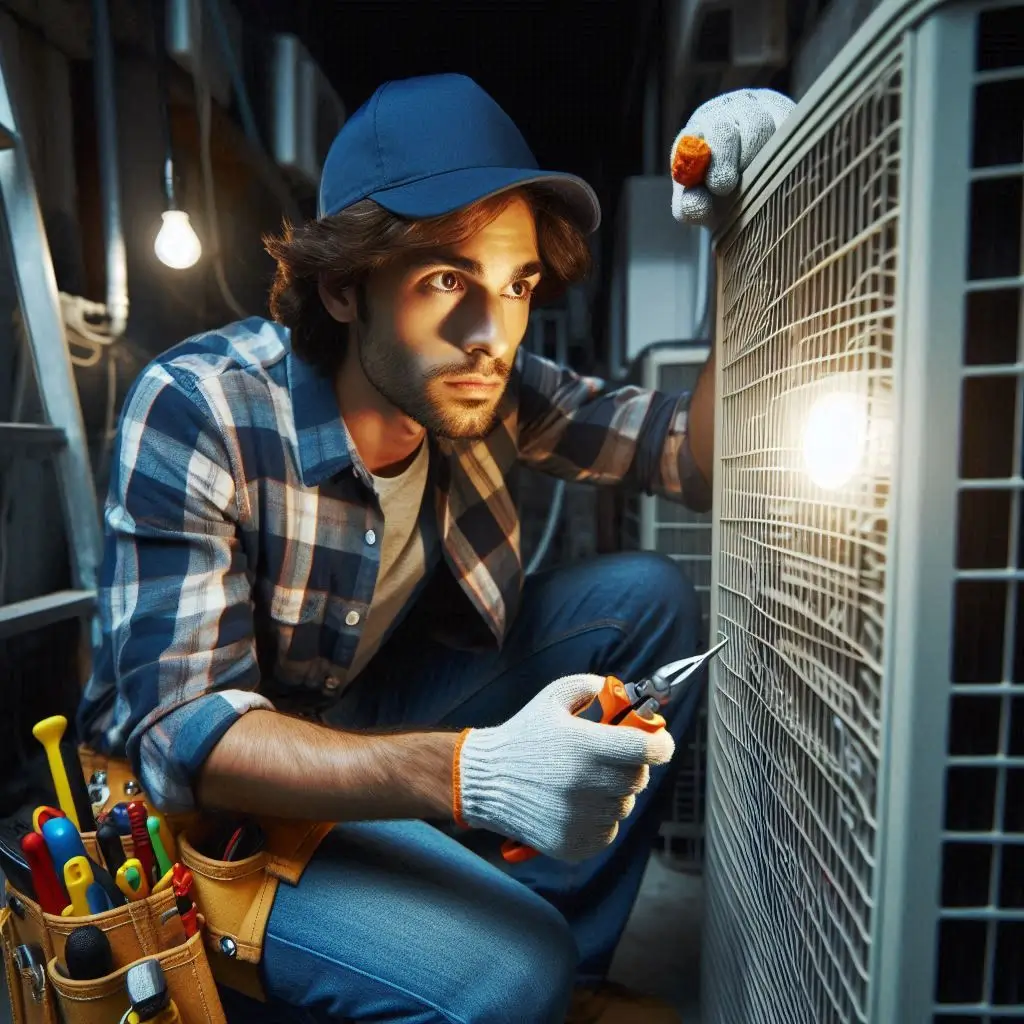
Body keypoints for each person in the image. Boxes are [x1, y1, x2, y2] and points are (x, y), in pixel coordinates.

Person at [77, 73, 789, 1023]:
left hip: (357, 704)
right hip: (201, 803)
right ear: (343, 287)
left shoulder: (484, 383)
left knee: (642, 600)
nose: (491, 334)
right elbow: (188, 741)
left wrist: (746, 237)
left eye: (516, 284)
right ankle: (508, 966)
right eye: (447, 281)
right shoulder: (200, 407)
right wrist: (471, 772)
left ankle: (568, 977)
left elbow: (688, 453)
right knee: (510, 973)